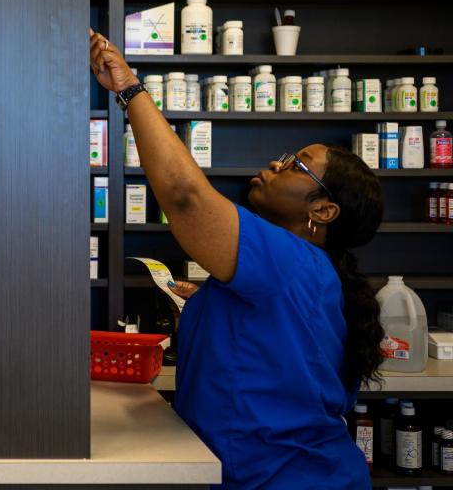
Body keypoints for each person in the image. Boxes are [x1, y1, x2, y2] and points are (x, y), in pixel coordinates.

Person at [89, 29, 385, 489]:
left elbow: (185, 197)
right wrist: (211, 303)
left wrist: (128, 88)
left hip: (284, 481)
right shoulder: (305, 270)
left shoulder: (288, 259)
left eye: (297, 165)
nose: (275, 164)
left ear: (323, 211)